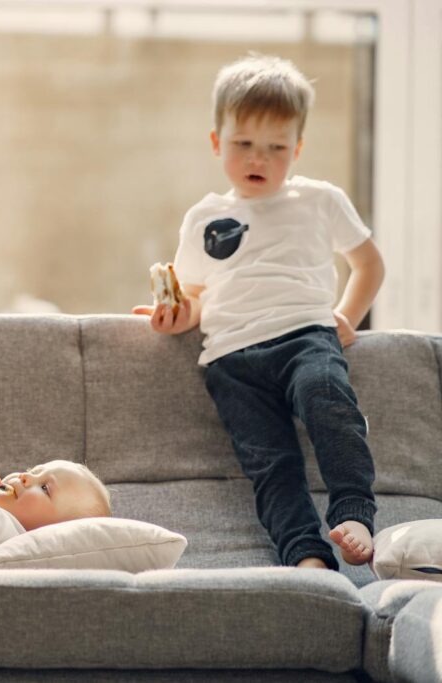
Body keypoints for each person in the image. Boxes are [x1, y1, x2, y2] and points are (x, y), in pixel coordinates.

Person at [133, 54, 385, 571]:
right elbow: (197, 295)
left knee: (328, 401)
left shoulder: (319, 200)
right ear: (215, 142)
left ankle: (354, 510)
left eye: (276, 148)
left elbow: (369, 264)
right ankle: (305, 557)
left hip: (305, 337)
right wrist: (178, 316)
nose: (259, 159)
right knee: (271, 465)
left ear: (297, 148)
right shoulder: (204, 216)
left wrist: (346, 316)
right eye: (243, 144)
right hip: (230, 361)